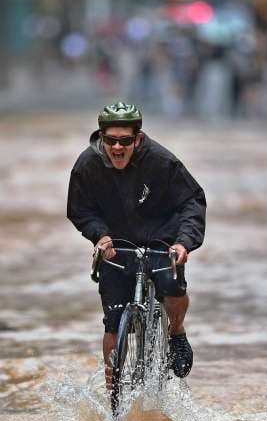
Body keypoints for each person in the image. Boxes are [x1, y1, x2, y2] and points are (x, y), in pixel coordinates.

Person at [67, 101, 207, 392]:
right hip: (116, 246)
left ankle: (176, 331)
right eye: (111, 140)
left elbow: (192, 201)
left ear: (138, 139)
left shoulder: (161, 161)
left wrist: (183, 243)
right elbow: (79, 209)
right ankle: (112, 393)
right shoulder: (86, 165)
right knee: (113, 320)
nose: (118, 148)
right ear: (101, 137)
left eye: (125, 141)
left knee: (172, 285)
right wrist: (100, 236)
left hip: (161, 239)